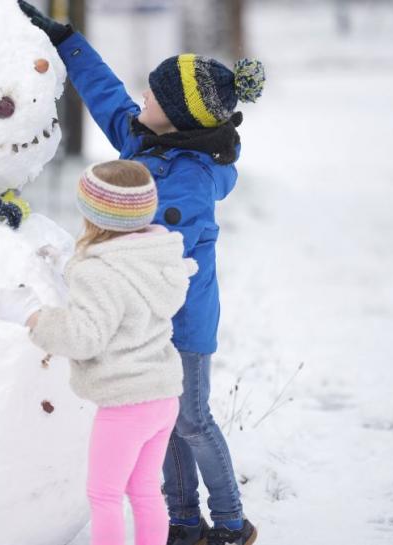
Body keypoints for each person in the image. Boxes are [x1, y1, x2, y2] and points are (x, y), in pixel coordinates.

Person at [17, 3, 265, 545]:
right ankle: (180, 522)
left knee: (191, 421)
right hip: (149, 323)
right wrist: (66, 41)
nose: (142, 98)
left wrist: (90, 255)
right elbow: (106, 95)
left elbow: (146, 244)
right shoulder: (148, 141)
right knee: (163, 424)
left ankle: (229, 523)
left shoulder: (189, 181)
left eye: (153, 95)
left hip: (183, 325)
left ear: (175, 116)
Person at [0, 159, 197, 545]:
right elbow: (118, 300)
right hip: (163, 397)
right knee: (145, 492)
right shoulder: (154, 257)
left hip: (125, 404)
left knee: (103, 496)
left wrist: (33, 316)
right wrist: (65, 271)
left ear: (94, 214)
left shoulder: (99, 272)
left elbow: (85, 336)